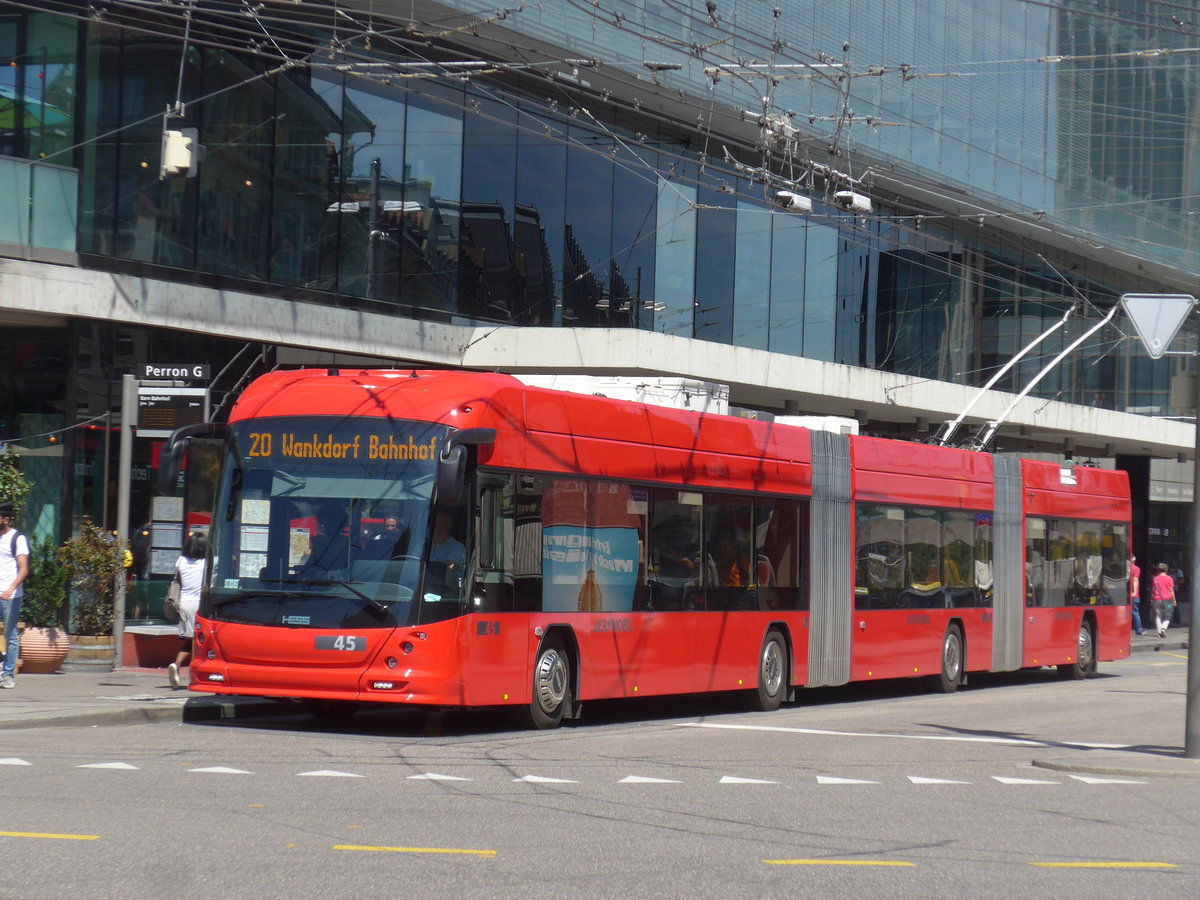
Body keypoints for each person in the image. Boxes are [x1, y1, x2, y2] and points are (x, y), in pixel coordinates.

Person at [168, 531, 207, 688]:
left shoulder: (181, 561)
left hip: (184, 603)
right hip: (201, 604)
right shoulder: (207, 563)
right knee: (200, 642)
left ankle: (176, 665)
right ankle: (193, 673)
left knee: (189, 639)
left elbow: (178, 581)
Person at [0, 501, 30, 690]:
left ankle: (8, 673)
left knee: (10, 634)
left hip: (10, 594)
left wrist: (11, 588)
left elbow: (24, 569)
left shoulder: (17, 538)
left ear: (6, 518)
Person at [1151, 562, 1176, 639]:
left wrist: (1151, 599)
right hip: (1167, 600)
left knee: (1158, 616)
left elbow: (1152, 590)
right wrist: (1174, 600)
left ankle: (1159, 633)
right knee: (1168, 617)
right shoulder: (1169, 578)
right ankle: (1163, 629)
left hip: (1156, 599)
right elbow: (1171, 590)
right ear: (1166, 570)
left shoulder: (1155, 579)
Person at [1129, 555, 1143, 636]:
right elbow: (1135, 579)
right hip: (1134, 595)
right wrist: (1134, 592)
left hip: (1124, 593)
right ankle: (1139, 629)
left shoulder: (1124, 568)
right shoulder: (1136, 568)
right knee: (1135, 612)